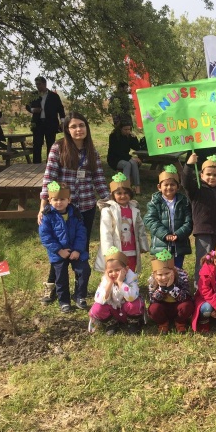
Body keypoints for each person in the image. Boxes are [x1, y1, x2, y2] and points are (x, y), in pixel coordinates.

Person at [38, 112, 109, 306]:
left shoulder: (91, 150)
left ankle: (80, 292)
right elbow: (49, 178)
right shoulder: (58, 148)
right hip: (62, 208)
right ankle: (52, 286)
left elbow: (98, 178)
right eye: (73, 126)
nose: (78, 129)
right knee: (59, 248)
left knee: (80, 248)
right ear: (67, 130)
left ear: (87, 127)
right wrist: (43, 206)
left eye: (81, 125)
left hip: (85, 206)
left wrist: (109, 200)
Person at [38, 181, 91, 314]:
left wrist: (77, 250)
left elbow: (81, 233)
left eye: (62, 199)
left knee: (84, 270)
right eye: (55, 199)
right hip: (58, 252)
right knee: (60, 276)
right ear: (49, 200)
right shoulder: (47, 216)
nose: (59, 202)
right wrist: (59, 250)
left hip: (75, 250)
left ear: (69, 200)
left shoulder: (76, 214)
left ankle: (79, 296)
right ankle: (64, 301)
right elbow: (45, 236)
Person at [182, 154, 216, 284]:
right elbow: (186, 181)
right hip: (204, 232)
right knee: (204, 260)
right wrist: (189, 165)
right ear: (201, 175)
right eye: (208, 174)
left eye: (215, 175)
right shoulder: (197, 190)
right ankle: (201, 288)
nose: (211, 177)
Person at [94, 172, 148, 274]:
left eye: (126, 193)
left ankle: (130, 284)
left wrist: (143, 245)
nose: (123, 196)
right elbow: (106, 232)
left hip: (131, 250)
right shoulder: (108, 210)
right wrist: (109, 251)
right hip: (116, 250)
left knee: (130, 273)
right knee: (117, 274)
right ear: (113, 195)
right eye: (119, 193)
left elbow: (140, 228)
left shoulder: (134, 209)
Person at [144, 165, 193, 270]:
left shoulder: (184, 202)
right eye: (166, 185)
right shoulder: (154, 202)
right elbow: (150, 220)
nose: (169, 187)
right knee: (162, 270)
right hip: (161, 244)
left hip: (178, 244)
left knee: (177, 269)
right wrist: (165, 234)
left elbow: (189, 221)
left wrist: (179, 234)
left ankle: (177, 280)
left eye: (172, 184)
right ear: (159, 187)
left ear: (178, 187)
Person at [89, 247, 143, 335]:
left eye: (117, 270)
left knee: (135, 303)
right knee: (97, 308)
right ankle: (111, 323)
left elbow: (131, 297)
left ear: (126, 269)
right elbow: (99, 300)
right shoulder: (106, 281)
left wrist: (120, 282)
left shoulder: (131, 278)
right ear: (106, 272)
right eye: (110, 271)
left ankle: (133, 323)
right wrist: (109, 283)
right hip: (113, 312)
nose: (113, 274)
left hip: (126, 311)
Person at [147, 249, 194, 334]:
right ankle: (163, 323)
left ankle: (180, 322)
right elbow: (153, 300)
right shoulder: (152, 280)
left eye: (167, 273)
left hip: (178, 306)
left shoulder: (182, 275)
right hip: (163, 307)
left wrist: (171, 288)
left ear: (173, 271)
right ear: (155, 275)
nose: (164, 277)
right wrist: (162, 288)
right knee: (153, 309)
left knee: (187, 306)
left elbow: (185, 297)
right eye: (160, 275)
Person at [26, 76, 65, 164]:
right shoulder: (33, 95)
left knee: (51, 145)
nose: (38, 86)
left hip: (50, 123)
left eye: (39, 84)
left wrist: (62, 122)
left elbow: (61, 109)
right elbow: (27, 106)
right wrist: (33, 110)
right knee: (37, 145)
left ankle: (50, 164)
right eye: (36, 84)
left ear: (44, 84)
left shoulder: (54, 96)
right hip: (37, 123)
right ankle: (36, 165)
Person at [107, 120, 142, 195]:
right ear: (120, 129)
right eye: (125, 129)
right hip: (115, 159)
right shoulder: (113, 136)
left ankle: (137, 187)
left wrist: (134, 138)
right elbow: (117, 151)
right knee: (127, 164)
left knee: (133, 163)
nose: (127, 131)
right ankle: (126, 186)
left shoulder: (129, 136)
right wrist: (130, 158)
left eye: (129, 129)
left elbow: (137, 148)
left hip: (125, 157)